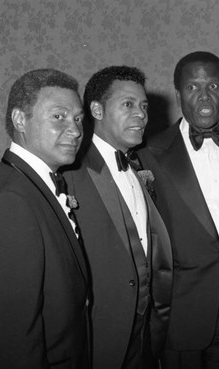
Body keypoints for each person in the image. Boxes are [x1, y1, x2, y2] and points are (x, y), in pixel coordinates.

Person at [136, 51, 219, 369]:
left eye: (213, 86)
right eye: (193, 87)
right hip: (181, 312)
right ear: (178, 94)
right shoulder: (148, 154)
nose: (204, 96)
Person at [64, 66, 173, 369]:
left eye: (144, 106)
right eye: (128, 105)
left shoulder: (140, 168)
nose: (141, 114)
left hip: (145, 335)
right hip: (99, 337)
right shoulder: (70, 172)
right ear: (96, 110)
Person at [0, 69, 89, 368]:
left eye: (78, 119)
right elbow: (11, 338)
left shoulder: (30, 183)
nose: (75, 130)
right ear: (20, 120)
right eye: (59, 116)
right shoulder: (10, 198)